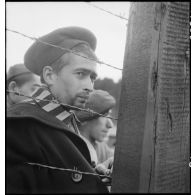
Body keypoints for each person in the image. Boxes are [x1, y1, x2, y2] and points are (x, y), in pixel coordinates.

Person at [6, 27, 109, 193]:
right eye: (80, 74)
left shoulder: (66, 120)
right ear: (50, 75)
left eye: (92, 77)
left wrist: (94, 176)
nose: (89, 86)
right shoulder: (17, 128)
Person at [76, 89, 116, 165]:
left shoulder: (102, 147)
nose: (110, 125)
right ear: (85, 118)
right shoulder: (70, 147)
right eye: (104, 116)